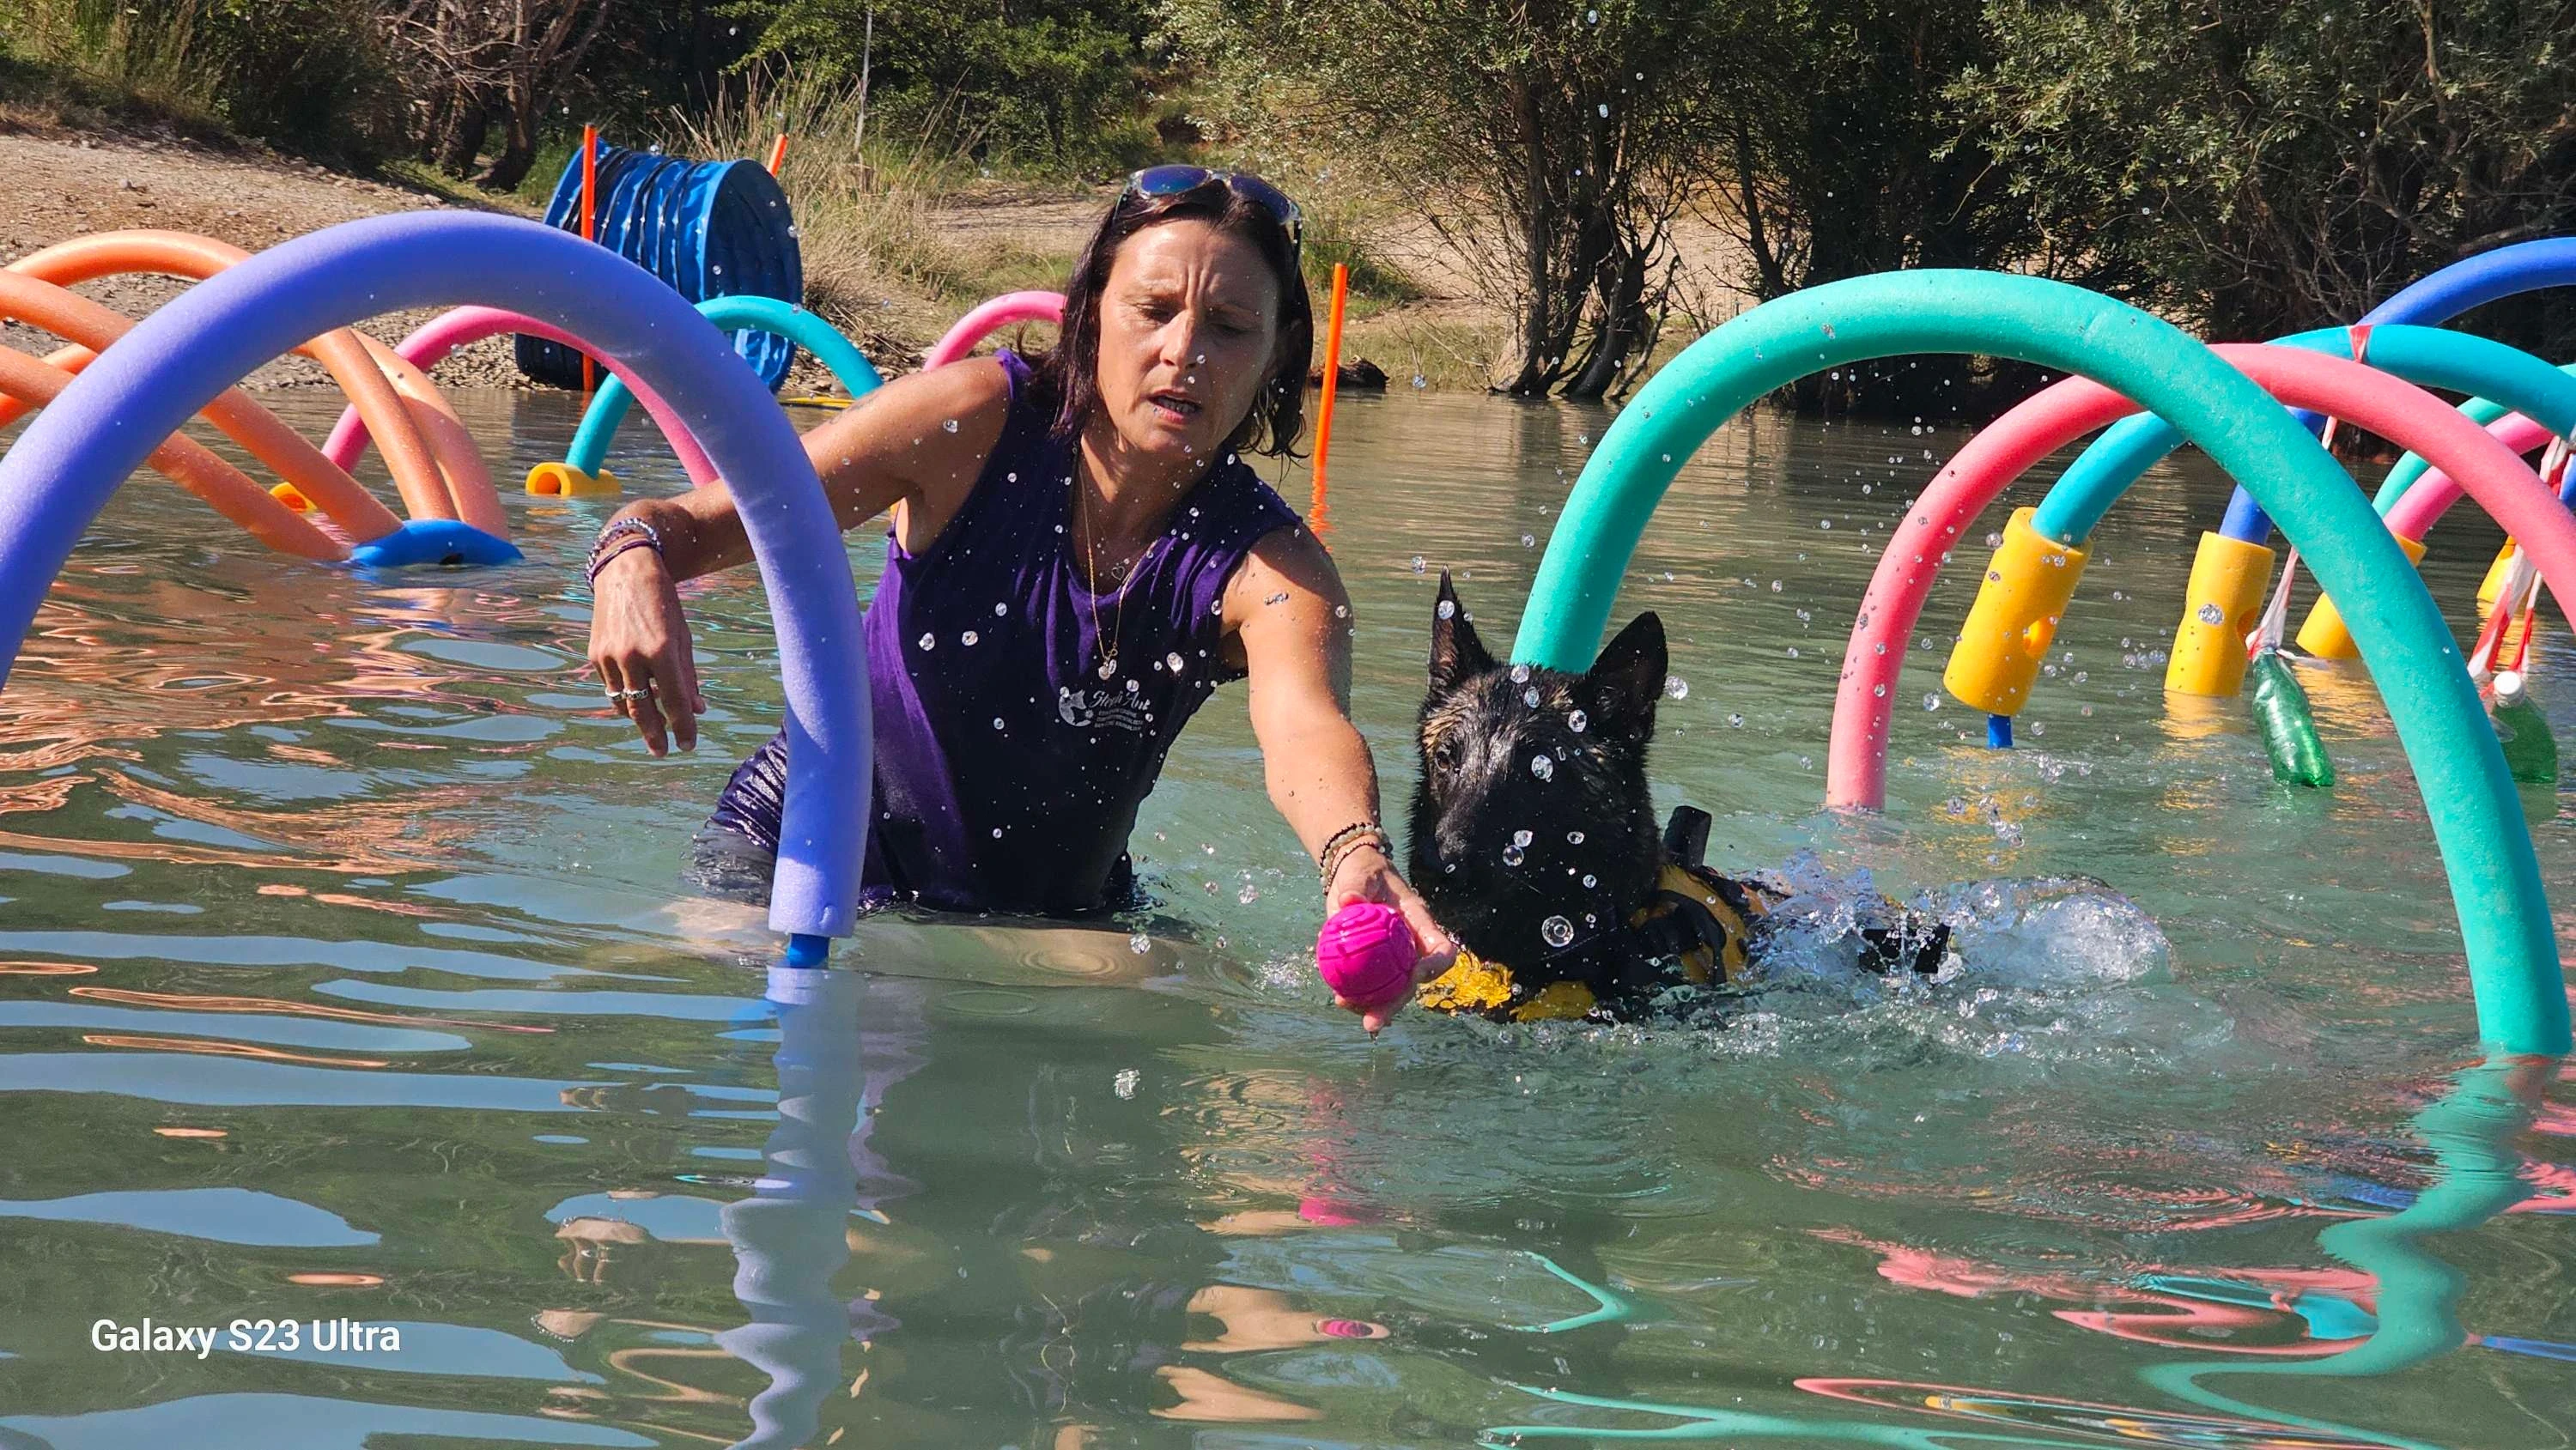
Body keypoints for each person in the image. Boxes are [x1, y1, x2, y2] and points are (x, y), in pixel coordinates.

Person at [584, 166, 1451, 1028]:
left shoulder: (1272, 568)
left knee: (1190, 984)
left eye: (1228, 327)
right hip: (797, 859)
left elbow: (1305, 729)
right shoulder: (967, 424)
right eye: (1152, 311)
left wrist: (1353, 855)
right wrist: (628, 558)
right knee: (637, 976)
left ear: (1277, 356)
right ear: (1090, 314)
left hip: (1054, 927)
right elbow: (693, 524)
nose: (1184, 351)